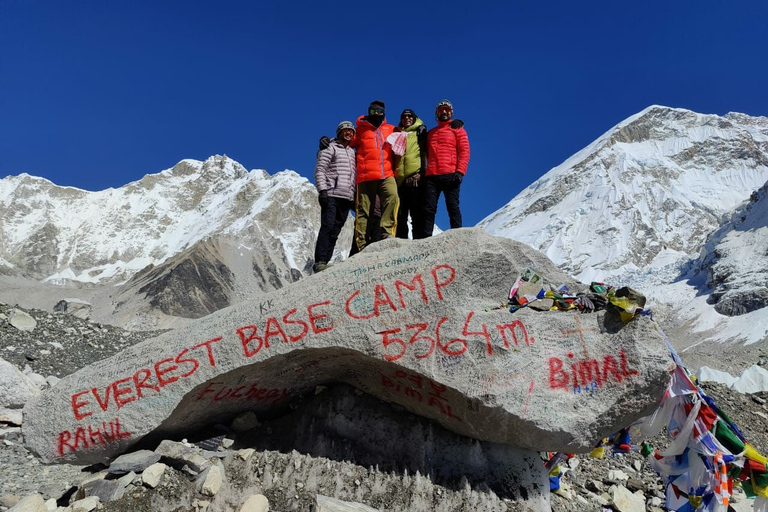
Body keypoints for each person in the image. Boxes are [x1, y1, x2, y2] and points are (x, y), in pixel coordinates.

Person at [350, 100, 399, 252]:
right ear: (368, 113)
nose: (376, 114)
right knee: (364, 210)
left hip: (386, 174)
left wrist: (420, 126)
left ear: (384, 113)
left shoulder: (391, 129)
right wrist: (329, 141)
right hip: (365, 176)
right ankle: (361, 243)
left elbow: (408, 135)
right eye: (373, 111)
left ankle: (386, 232)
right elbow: (345, 142)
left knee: (393, 197)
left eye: (379, 111)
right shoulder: (360, 130)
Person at [312, 121, 357, 272]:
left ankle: (326, 261)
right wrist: (322, 190)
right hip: (331, 193)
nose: (348, 133)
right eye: (345, 130)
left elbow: (353, 175)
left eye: (351, 131)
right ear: (339, 132)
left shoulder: (352, 152)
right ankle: (320, 261)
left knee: (336, 231)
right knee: (327, 226)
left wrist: (353, 195)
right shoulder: (329, 147)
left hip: (346, 197)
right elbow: (320, 170)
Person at [421, 99, 470, 237]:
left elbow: (465, 151)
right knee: (428, 209)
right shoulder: (431, 133)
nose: (444, 112)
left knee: (453, 207)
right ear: (436, 113)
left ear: (451, 113)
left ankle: (458, 238)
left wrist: (460, 172)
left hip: (451, 174)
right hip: (432, 176)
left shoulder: (457, 129)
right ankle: (426, 239)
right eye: (440, 110)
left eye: (447, 110)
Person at [393, 109, 428, 239]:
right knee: (400, 216)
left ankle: (419, 246)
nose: (407, 118)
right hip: (400, 181)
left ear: (414, 118)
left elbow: (426, 154)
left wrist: (422, 174)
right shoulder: (397, 134)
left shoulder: (420, 132)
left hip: (416, 178)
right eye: (404, 116)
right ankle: (402, 247)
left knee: (417, 215)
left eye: (409, 116)